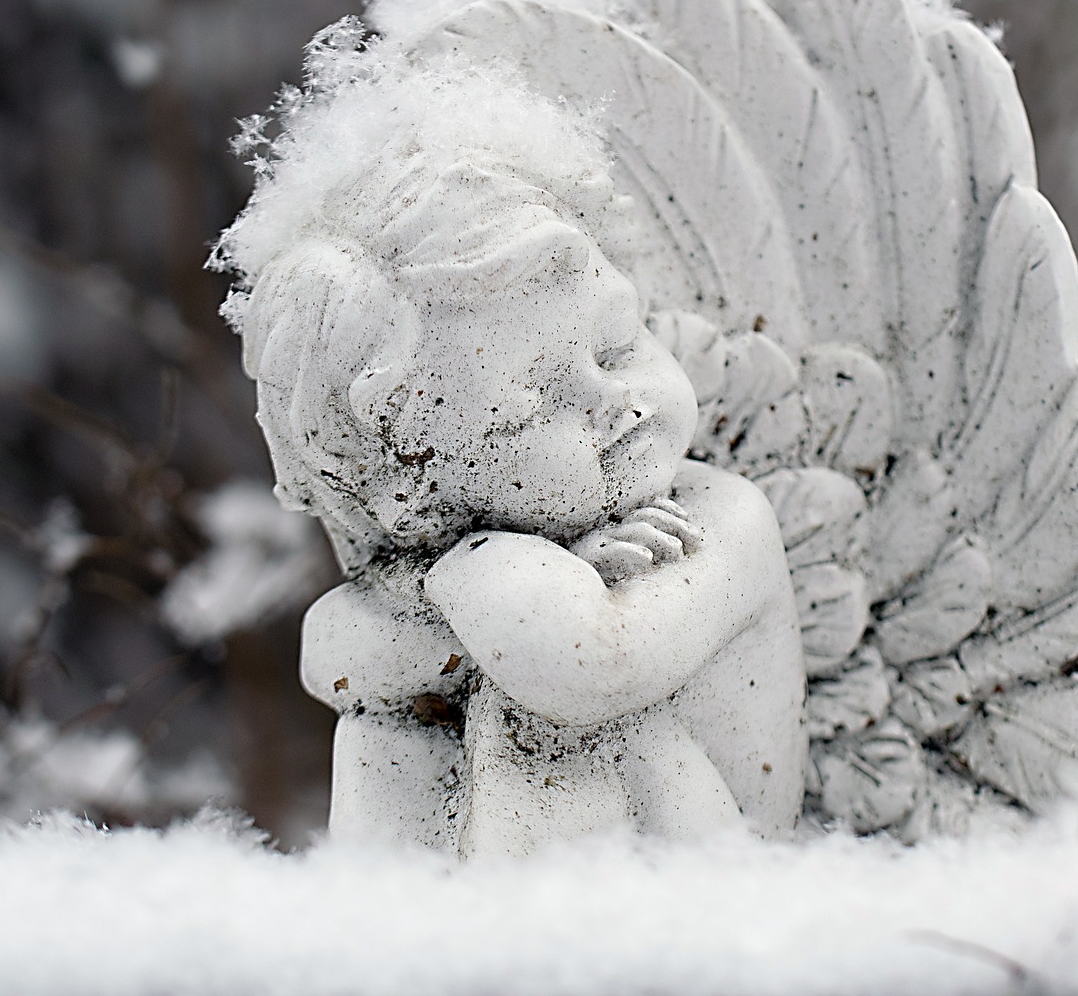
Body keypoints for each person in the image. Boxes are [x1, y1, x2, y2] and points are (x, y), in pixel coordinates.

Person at [236, 137, 804, 855]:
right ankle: (388, 933)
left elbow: (588, 663)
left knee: (552, 724)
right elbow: (331, 653)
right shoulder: (471, 562)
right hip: (483, 904)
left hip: (713, 906)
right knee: (388, 730)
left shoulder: (724, 521)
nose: (613, 401)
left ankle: (525, 947)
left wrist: (491, 581)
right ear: (420, 479)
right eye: (539, 405)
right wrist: (488, 571)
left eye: (618, 346)